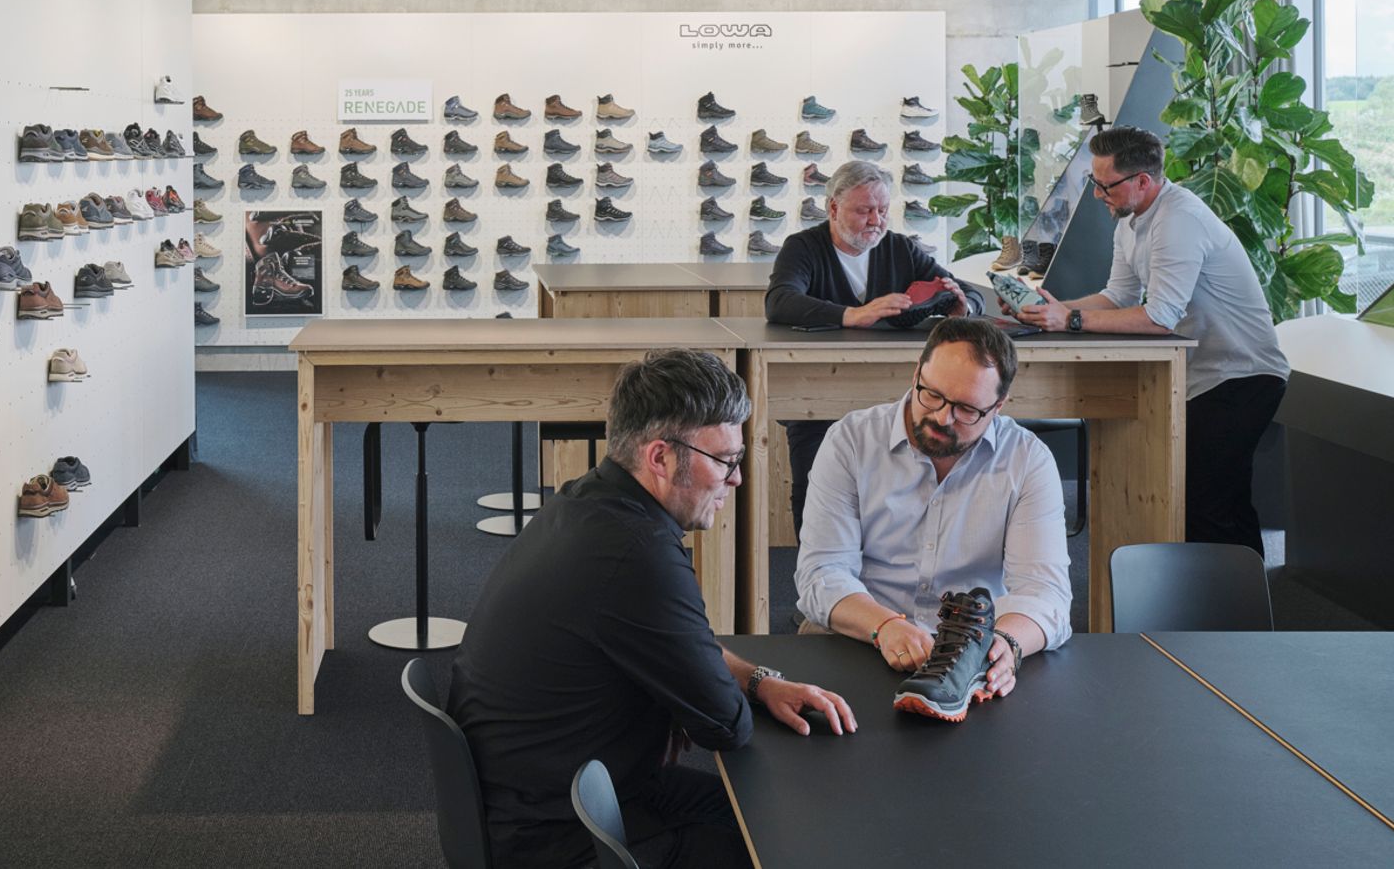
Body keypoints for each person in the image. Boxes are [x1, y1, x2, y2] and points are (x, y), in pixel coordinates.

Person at [448, 349, 856, 869]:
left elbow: (690, 654)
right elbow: (726, 726)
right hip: (562, 834)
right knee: (789, 843)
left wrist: (755, 680)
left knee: (769, 816)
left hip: (550, 790)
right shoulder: (637, 556)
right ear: (660, 457)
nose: (736, 479)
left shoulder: (586, 503)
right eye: (725, 460)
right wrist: (696, 695)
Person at [1005, 125, 1290, 553]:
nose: (1098, 194)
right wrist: (1052, 309)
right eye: (1093, 183)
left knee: (1213, 503)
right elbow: (1116, 296)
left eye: (1106, 185)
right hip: (1199, 376)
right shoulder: (1132, 219)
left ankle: (1239, 611)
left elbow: (1158, 318)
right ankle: (1208, 604)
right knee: (1201, 499)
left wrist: (1072, 321)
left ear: (1142, 181)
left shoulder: (1179, 220)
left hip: (1242, 376)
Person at [796, 318, 1071, 692]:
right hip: (860, 634)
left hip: (972, 655)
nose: (943, 418)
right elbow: (822, 573)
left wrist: (1006, 644)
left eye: (967, 410)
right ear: (916, 375)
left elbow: (1045, 591)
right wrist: (886, 625)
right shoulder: (851, 441)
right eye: (932, 395)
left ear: (999, 405)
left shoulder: (1027, 460)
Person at [765, 159, 981, 537]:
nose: (876, 220)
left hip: (889, 397)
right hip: (817, 398)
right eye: (864, 211)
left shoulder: (898, 248)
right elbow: (780, 301)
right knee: (817, 497)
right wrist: (853, 314)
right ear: (833, 208)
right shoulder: (802, 247)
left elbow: (963, 289)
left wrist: (964, 307)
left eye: (882, 210)